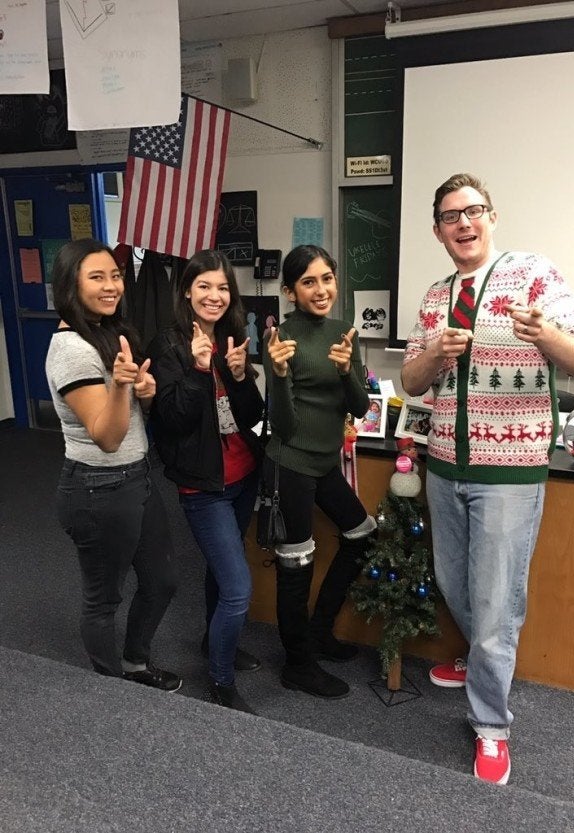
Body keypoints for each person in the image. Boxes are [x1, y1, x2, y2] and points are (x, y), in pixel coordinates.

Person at [401, 173, 574, 785]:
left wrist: (544, 335)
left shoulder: (534, 275)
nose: (464, 223)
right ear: (437, 230)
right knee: (454, 580)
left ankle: (491, 726)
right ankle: (487, 656)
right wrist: (437, 355)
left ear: (491, 216)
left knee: (494, 598)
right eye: (451, 216)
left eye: (473, 211)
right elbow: (412, 380)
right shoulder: (435, 296)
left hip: (510, 471)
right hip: (443, 462)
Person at [45, 238, 180, 691]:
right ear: (69, 285)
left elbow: (127, 414)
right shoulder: (71, 350)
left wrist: (143, 391)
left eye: (115, 275)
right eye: (96, 277)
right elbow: (106, 437)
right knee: (103, 600)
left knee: (162, 581)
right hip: (96, 487)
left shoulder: (104, 332)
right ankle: (113, 691)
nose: (111, 286)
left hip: (135, 478)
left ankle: (135, 664)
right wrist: (123, 389)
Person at [147, 250, 264, 714]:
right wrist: (198, 369)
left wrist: (238, 376)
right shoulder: (168, 344)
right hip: (203, 487)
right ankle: (220, 679)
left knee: (222, 571)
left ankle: (215, 644)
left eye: (222, 288)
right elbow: (171, 421)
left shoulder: (233, 337)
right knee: (238, 588)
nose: (214, 296)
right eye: (205, 287)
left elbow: (252, 416)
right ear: (187, 292)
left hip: (242, 477)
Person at [263, 244, 377, 699]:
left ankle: (318, 630)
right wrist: (276, 373)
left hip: (326, 463)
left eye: (327, 278)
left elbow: (361, 407)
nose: (321, 289)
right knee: (297, 566)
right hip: (289, 465)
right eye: (308, 282)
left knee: (363, 536)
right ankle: (297, 664)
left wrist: (349, 369)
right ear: (290, 291)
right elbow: (286, 427)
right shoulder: (282, 339)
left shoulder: (342, 332)